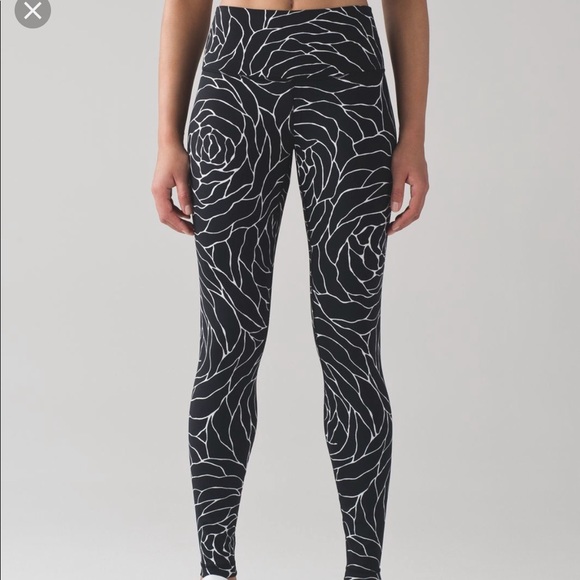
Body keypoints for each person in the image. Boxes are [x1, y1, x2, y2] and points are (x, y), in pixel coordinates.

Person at [151, 0, 429, 578]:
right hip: (236, 73)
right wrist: (167, 139)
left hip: (346, 70)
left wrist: (414, 137)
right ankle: (215, 569)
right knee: (227, 344)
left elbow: (406, 3)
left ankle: (364, 572)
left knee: (351, 343)